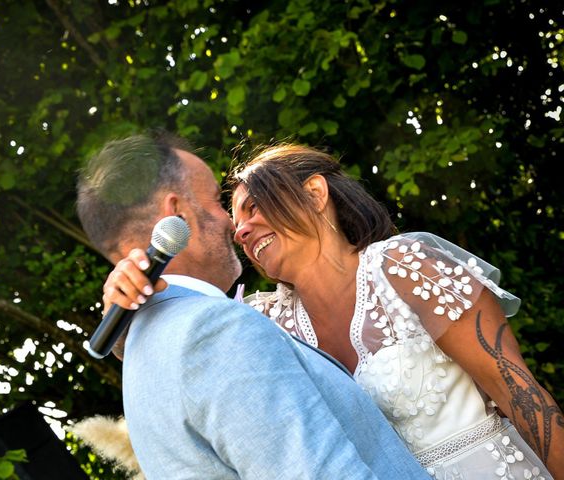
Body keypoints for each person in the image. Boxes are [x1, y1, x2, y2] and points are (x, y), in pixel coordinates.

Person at [104, 143, 564, 479]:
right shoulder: (265, 321)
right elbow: (189, 352)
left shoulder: (404, 266)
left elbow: (519, 394)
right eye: (236, 219)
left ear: (315, 193)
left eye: (254, 207)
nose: (241, 229)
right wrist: (125, 305)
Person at [76, 132, 429, 479]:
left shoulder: (142, 359)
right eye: (216, 201)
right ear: (176, 216)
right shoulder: (215, 330)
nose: (233, 225)